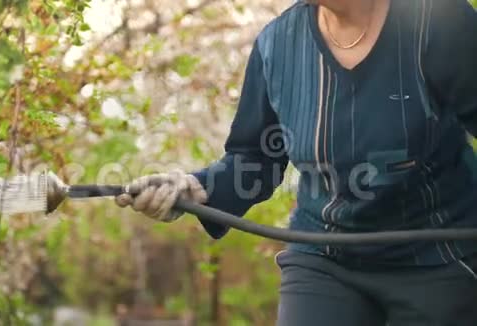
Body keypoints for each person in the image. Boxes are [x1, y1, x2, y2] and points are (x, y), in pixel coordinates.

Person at [115, 0, 477, 324]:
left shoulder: (439, 20)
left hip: (438, 256)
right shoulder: (278, 45)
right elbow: (254, 159)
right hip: (326, 257)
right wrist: (194, 189)